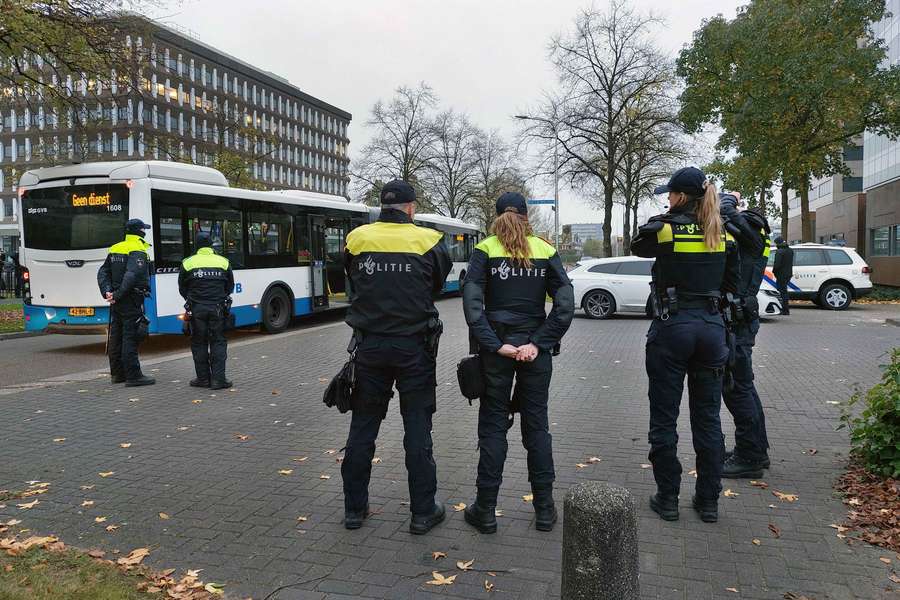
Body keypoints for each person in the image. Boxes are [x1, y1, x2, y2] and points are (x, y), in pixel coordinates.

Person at [340, 179, 452, 534]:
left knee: (363, 427)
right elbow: (437, 284)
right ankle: (422, 512)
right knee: (417, 428)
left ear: (383, 205)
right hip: (414, 348)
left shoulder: (357, 238)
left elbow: (352, 278)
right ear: (410, 207)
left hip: (370, 347)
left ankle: (354, 510)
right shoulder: (429, 240)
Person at [462, 192, 574, 534]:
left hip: (496, 352)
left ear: (496, 217)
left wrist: (496, 346)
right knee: (536, 426)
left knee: (494, 425)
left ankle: (485, 511)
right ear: (527, 217)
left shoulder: (484, 250)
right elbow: (565, 304)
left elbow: (472, 306)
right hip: (533, 352)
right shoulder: (544, 249)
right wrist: (537, 344)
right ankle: (544, 510)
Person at [632, 167, 739, 523]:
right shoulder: (723, 233)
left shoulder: (665, 229)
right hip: (711, 330)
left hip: (673, 329)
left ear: (679, 196)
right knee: (708, 420)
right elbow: (733, 285)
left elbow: (638, 245)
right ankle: (708, 502)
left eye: (670, 194)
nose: (666, 199)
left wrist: (671, 217)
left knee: (664, 419)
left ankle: (667, 499)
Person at [719, 192, 771, 478]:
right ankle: (756, 450)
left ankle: (749, 455)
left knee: (737, 388)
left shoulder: (751, 231)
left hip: (737, 322)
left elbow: (729, 214)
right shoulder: (755, 233)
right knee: (744, 387)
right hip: (742, 318)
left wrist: (726, 199)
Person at [97, 219, 154, 387]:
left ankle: (118, 374)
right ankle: (134, 376)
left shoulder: (115, 247)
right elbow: (131, 275)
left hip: (117, 301)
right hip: (130, 299)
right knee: (131, 336)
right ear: (140, 231)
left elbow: (103, 272)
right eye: (144, 229)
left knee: (116, 336)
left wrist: (107, 292)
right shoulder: (138, 249)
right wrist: (118, 295)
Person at [178, 231, 235, 390]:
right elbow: (229, 287)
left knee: (199, 343)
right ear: (211, 244)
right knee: (218, 341)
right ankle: (218, 380)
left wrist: (192, 299)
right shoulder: (223, 262)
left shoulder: (187, 263)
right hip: (217, 309)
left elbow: (182, 288)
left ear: (196, 245)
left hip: (196, 310)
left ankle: (203, 379)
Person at [773, 237, 794, 315]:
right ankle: (785, 309)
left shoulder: (779, 252)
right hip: (788, 274)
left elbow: (777, 265)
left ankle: (784, 310)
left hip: (781, 274)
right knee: (784, 291)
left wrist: (774, 271)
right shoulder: (790, 250)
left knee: (781, 292)